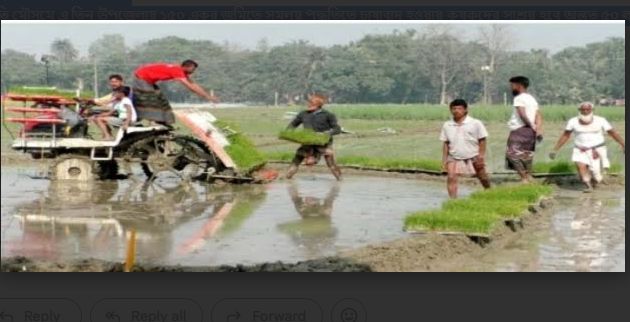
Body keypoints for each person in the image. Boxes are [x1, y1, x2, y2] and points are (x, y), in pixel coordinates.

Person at [549, 102, 625, 192]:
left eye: (587, 110)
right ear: (579, 110)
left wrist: (623, 144)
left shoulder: (601, 120)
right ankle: (588, 186)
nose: (585, 111)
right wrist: (555, 149)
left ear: (592, 110)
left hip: (597, 149)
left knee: (596, 174)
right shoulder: (573, 121)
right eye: (583, 110)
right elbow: (565, 135)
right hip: (580, 149)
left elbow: (613, 133)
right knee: (581, 168)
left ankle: (595, 182)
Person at [132, 60, 218, 125]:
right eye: (193, 69)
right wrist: (207, 97)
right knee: (151, 99)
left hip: (149, 81)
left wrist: (207, 96)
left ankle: (163, 121)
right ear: (187, 66)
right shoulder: (177, 70)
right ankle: (150, 122)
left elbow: (193, 84)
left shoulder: (180, 71)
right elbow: (190, 86)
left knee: (162, 100)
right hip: (142, 78)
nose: (193, 71)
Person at [440, 99, 491, 198]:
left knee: (482, 176)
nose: (456, 111)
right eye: (454, 108)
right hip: (454, 156)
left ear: (465, 110)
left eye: (459, 108)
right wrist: (444, 160)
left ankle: (489, 191)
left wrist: (481, 156)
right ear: (450, 110)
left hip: (473, 155)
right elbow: (446, 143)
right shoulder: (447, 125)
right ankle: (453, 200)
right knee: (451, 177)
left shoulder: (475, 123)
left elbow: (482, 140)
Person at [285, 94, 342, 181]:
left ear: (318, 105)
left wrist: (326, 133)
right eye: (309, 103)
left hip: (323, 144)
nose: (308, 105)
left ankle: (340, 180)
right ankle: (287, 178)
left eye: (311, 103)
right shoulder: (303, 114)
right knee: (296, 160)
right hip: (307, 143)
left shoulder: (328, 115)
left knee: (331, 164)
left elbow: (337, 129)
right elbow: (292, 125)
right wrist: (288, 133)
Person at [505, 76, 543, 183]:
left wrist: (530, 124)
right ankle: (529, 176)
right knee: (527, 155)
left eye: (512, 85)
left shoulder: (519, 98)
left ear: (519, 86)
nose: (511, 88)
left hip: (520, 129)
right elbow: (538, 115)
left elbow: (522, 114)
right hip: (530, 132)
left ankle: (523, 178)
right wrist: (537, 129)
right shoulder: (532, 99)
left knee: (512, 155)